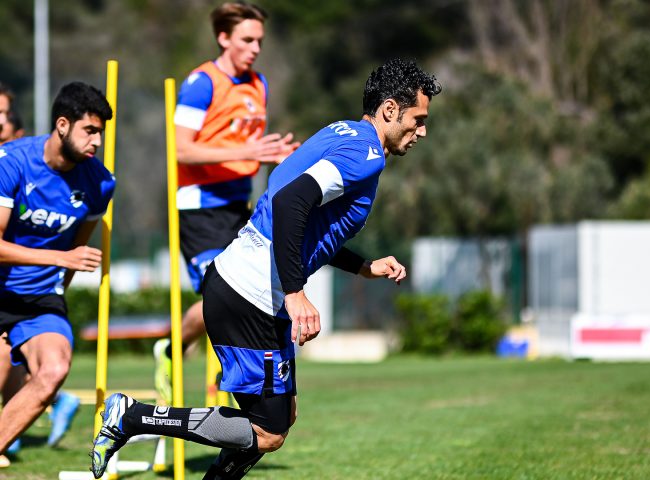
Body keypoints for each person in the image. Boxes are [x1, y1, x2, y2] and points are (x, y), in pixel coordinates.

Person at [91, 58, 441, 479]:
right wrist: (296, 292)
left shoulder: (342, 133)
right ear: (390, 110)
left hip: (247, 288)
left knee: (279, 418)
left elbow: (309, 224)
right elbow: (290, 203)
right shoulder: (366, 154)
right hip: (251, 295)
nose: (421, 131)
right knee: (269, 431)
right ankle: (133, 416)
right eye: (417, 119)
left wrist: (363, 266)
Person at [152, 1, 299, 404]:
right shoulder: (202, 83)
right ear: (223, 38)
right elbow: (181, 150)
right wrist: (249, 148)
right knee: (219, 294)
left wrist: (276, 155)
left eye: (259, 41)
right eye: (246, 40)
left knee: (247, 294)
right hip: (200, 206)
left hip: (239, 206)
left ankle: (232, 371)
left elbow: (247, 149)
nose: (255, 48)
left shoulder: (259, 85)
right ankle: (170, 347)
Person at [0, 82, 115, 462]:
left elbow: (75, 250)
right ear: (62, 124)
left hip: (39, 298)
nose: (96, 141)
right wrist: (58, 259)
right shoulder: (11, 161)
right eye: (90, 130)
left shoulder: (100, 183)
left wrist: (59, 279)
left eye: (101, 132)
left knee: (53, 370)